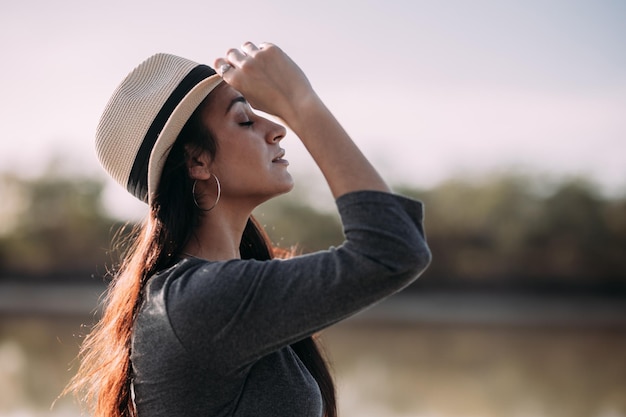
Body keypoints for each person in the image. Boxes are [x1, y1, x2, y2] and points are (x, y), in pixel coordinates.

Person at [64, 42, 431, 417]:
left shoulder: (213, 292)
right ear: (196, 161)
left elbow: (395, 246)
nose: (277, 129)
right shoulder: (201, 301)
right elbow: (392, 251)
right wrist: (299, 102)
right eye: (245, 120)